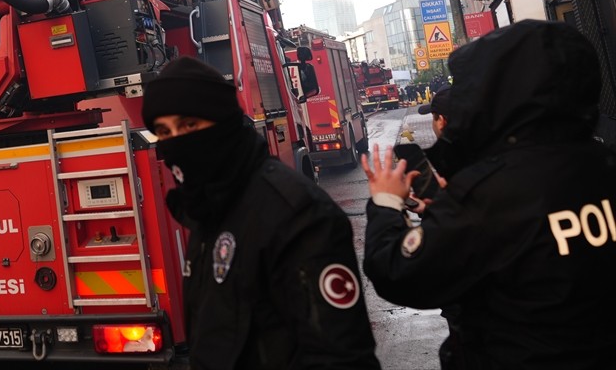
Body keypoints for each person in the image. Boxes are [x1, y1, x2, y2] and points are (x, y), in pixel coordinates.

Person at [362, 20, 616, 369]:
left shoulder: (492, 193)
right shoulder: (601, 162)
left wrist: (387, 202)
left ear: (496, 96)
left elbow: (400, 274)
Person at [144, 56, 380, 370]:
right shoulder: (206, 211)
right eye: (164, 131)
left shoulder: (297, 213)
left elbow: (341, 358)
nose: (178, 141)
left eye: (189, 125)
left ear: (224, 121)